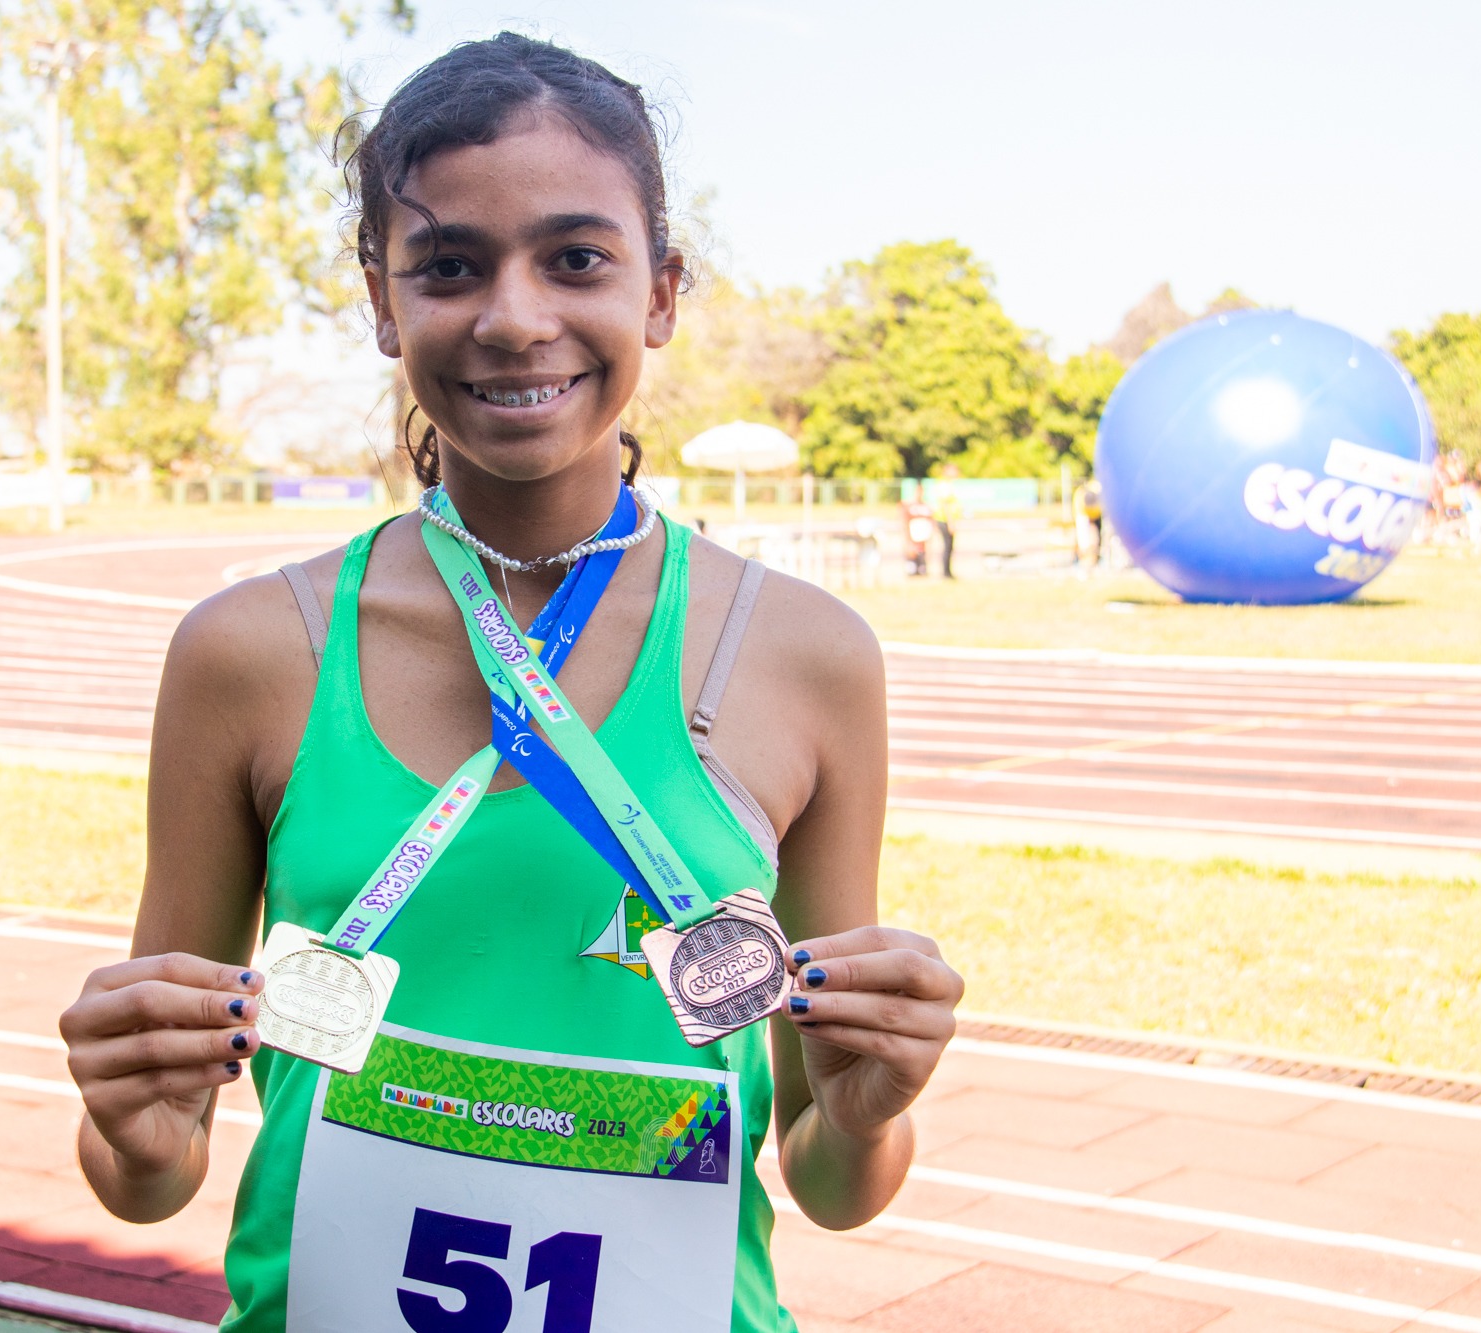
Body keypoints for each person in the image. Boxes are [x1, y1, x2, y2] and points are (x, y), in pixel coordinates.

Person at [59, 35, 960, 1333]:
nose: (515, 317)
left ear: (661, 292)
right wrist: (134, 1129)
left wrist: (869, 1112)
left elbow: (832, 1180)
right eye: (449, 266)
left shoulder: (806, 655)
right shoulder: (251, 653)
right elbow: (150, 1173)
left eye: (576, 258)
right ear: (382, 301)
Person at [933, 463, 963, 579]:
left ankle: (947, 572)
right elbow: (945, 505)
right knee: (947, 546)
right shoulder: (945, 485)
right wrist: (950, 522)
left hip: (946, 519)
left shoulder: (947, 484)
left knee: (949, 546)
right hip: (944, 520)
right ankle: (946, 573)